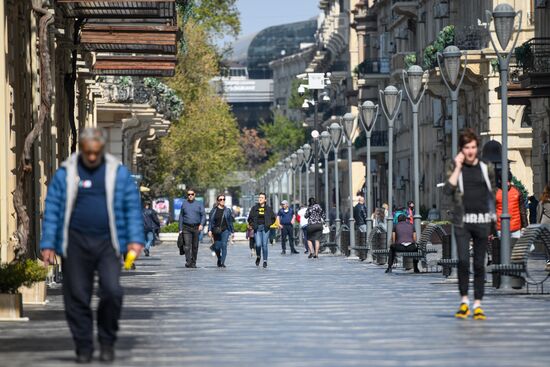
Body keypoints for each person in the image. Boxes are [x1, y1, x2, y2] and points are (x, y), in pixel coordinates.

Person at [40, 128, 144, 363]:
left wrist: (135, 240)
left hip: (109, 242)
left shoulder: (117, 173)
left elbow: (131, 208)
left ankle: (107, 341)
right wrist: (48, 243)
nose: (93, 157)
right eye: (88, 153)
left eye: (96, 153)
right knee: (76, 296)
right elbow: (53, 208)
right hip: (74, 242)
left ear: (102, 150)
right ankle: (84, 345)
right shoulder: (66, 173)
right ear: (82, 150)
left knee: (112, 291)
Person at [443, 128, 496, 321]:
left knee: (479, 264)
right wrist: (457, 167)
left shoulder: (486, 167)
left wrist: (492, 219)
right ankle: (464, 301)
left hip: (482, 221)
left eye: (473, 147)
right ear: (461, 149)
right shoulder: (454, 166)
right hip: (462, 223)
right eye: (467, 147)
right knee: (464, 261)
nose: (470, 151)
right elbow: (448, 190)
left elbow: (493, 191)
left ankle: (478, 304)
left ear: (477, 148)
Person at [495, 171, 528, 240]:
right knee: (503, 249)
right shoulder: (495, 192)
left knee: (516, 250)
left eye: (509, 181)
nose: (508, 183)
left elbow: (522, 210)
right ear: (500, 181)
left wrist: (525, 226)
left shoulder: (517, 191)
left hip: (515, 228)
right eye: (505, 181)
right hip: (500, 228)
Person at [178, 189, 206, 268]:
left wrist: (201, 224)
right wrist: (180, 229)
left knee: (195, 246)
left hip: (196, 227)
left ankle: (193, 262)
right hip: (186, 227)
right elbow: (181, 217)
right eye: (189, 194)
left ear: (194, 195)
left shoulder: (199, 204)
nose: (190, 195)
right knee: (187, 246)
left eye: (192, 194)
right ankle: (188, 261)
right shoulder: (184, 204)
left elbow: (203, 215)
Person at [247, 193, 276, 268]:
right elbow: (250, 218)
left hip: (265, 228)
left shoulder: (268, 209)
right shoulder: (254, 208)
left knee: (264, 245)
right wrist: (253, 225)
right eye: (259, 197)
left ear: (265, 199)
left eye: (262, 198)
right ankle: (259, 256)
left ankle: (265, 261)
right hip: (257, 228)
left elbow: (273, 218)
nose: (260, 199)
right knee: (258, 244)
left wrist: (269, 224)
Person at [208, 194, 234, 268]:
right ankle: (219, 258)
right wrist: (209, 230)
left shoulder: (228, 210)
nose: (222, 201)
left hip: (225, 230)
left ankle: (222, 262)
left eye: (223, 199)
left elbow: (230, 222)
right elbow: (211, 222)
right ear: (218, 201)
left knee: (224, 245)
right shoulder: (213, 211)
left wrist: (232, 231)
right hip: (216, 231)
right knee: (217, 247)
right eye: (220, 199)